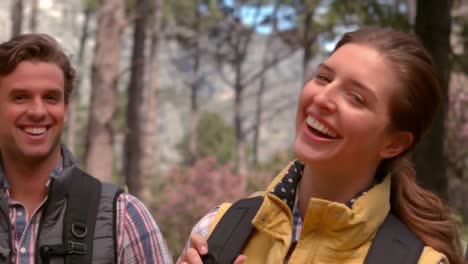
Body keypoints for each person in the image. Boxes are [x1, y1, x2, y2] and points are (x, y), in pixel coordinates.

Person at [178, 27, 465, 264]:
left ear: (394, 143)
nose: (323, 98)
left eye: (356, 97)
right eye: (323, 77)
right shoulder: (218, 228)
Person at [0, 33, 173, 263]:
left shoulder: (123, 219)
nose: (38, 111)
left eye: (51, 98)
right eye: (20, 97)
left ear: (66, 108)